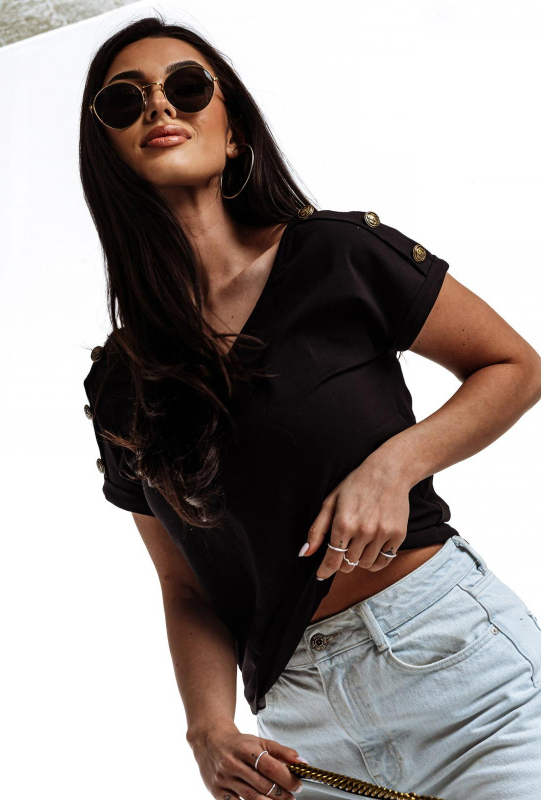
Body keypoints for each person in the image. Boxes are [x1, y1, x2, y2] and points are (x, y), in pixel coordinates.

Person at [80, 14, 541, 800]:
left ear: (233, 135)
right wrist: (207, 726)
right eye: (126, 100)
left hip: (464, 684)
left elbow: (515, 367)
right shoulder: (121, 383)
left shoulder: (337, 256)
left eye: (187, 87)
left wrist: (396, 465)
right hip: (307, 733)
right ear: (110, 153)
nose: (159, 106)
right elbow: (185, 585)